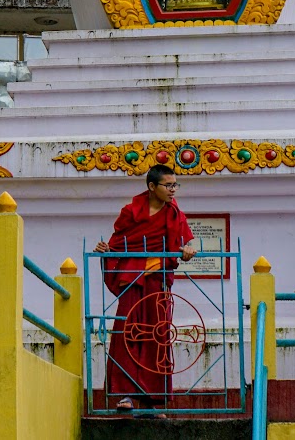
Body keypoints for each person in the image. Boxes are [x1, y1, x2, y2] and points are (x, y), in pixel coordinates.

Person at [94, 164, 197, 411]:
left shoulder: (174, 214)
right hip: (132, 280)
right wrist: (107, 250)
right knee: (127, 333)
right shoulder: (131, 212)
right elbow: (118, 243)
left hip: (158, 282)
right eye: (168, 185)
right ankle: (126, 395)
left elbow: (185, 243)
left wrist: (188, 250)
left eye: (175, 185)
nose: (173, 190)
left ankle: (155, 401)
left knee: (158, 336)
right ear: (152, 187)